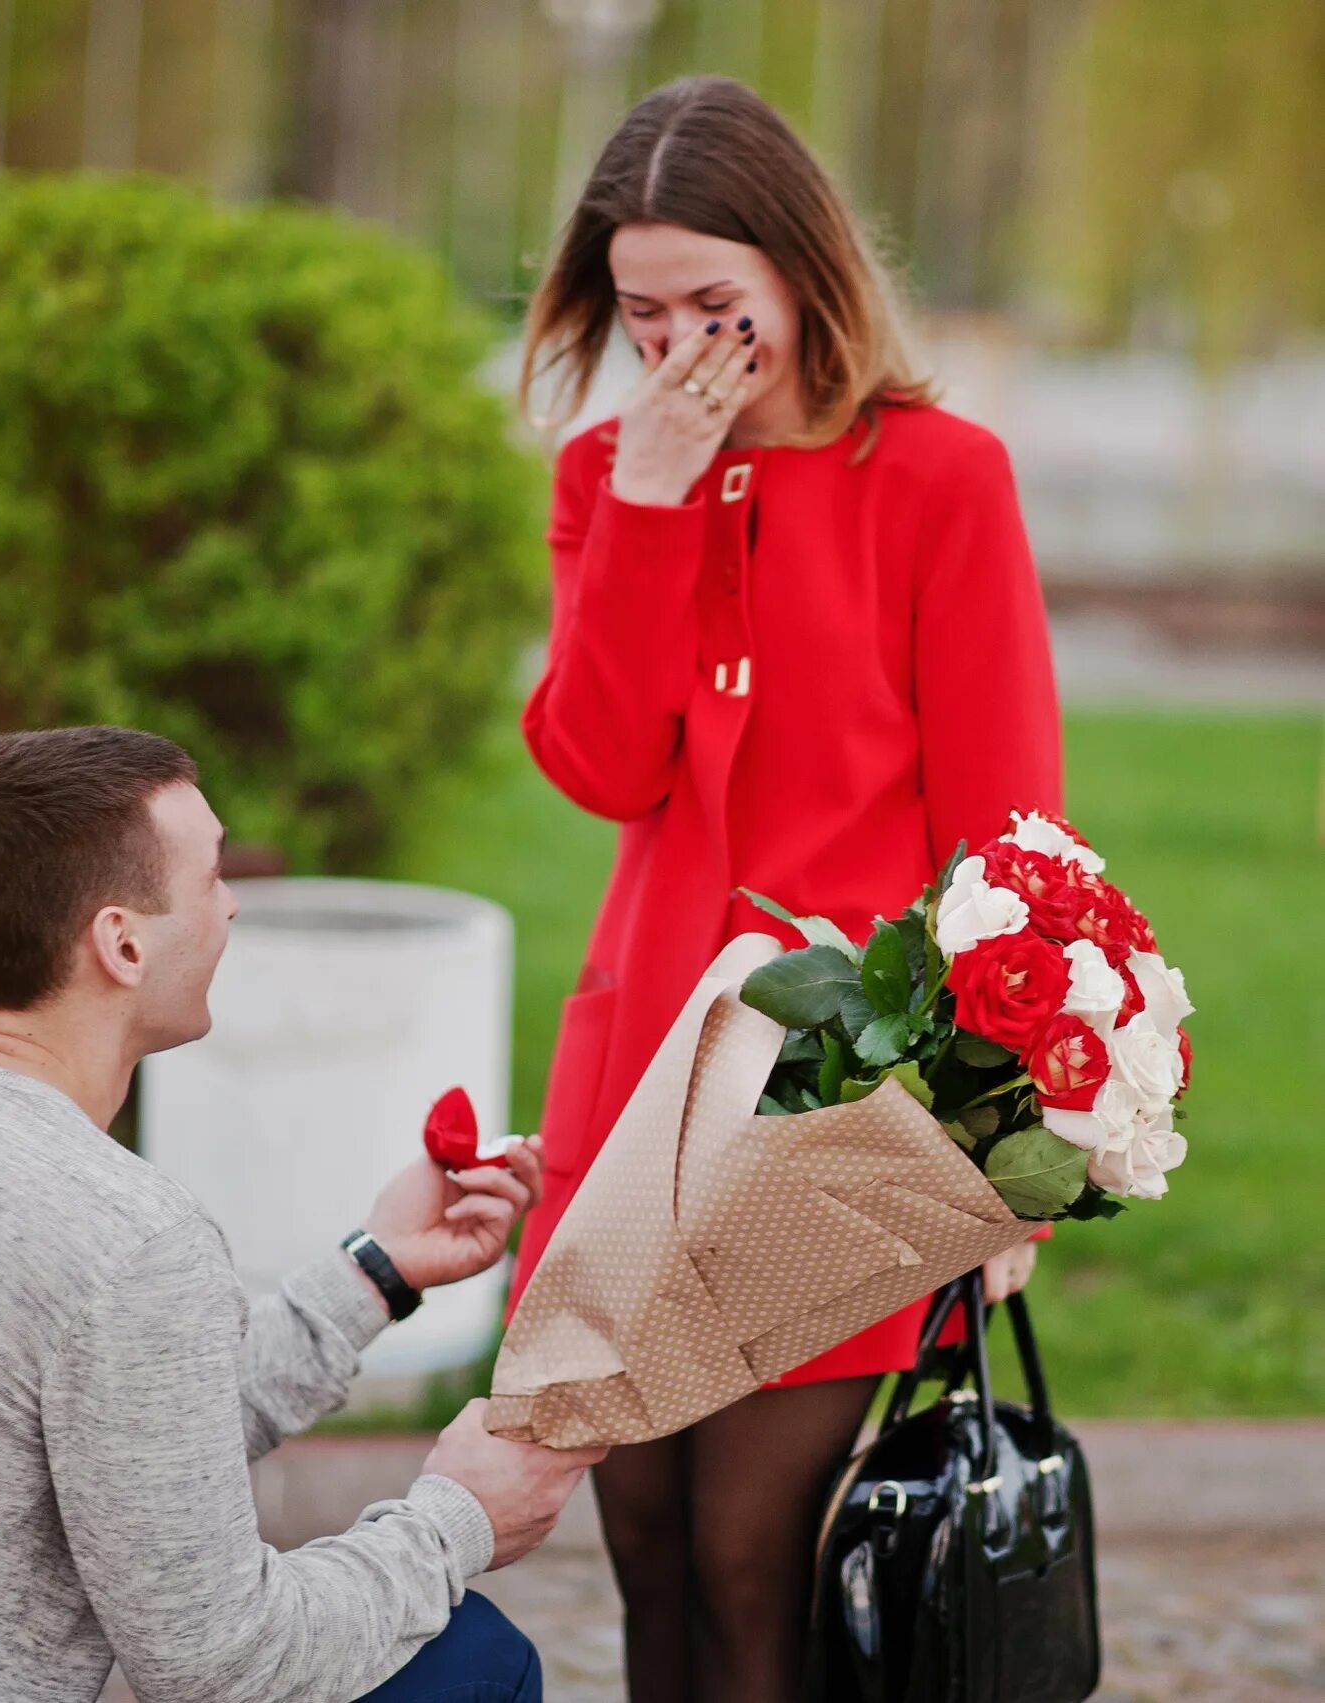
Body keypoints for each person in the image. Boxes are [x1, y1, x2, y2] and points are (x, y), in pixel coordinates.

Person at [510, 76, 1056, 1701]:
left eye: (713, 305)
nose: (678, 347)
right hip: (634, 1089)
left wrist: (1006, 1136)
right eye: (639, 311)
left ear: (801, 275)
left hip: (843, 1092)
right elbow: (600, 764)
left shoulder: (939, 475)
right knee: (645, 1556)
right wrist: (651, 510)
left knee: (755, 1558)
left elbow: (1005, 824)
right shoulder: (610, 476)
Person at [0, 725, 603, 1703]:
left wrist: (376, 1272)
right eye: (213, 875)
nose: (229, 907)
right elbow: (224, 1661)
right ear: (122, 942)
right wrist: (459, 1516)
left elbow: (135, 1449)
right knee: (468, 1658)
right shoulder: (122, 1236)